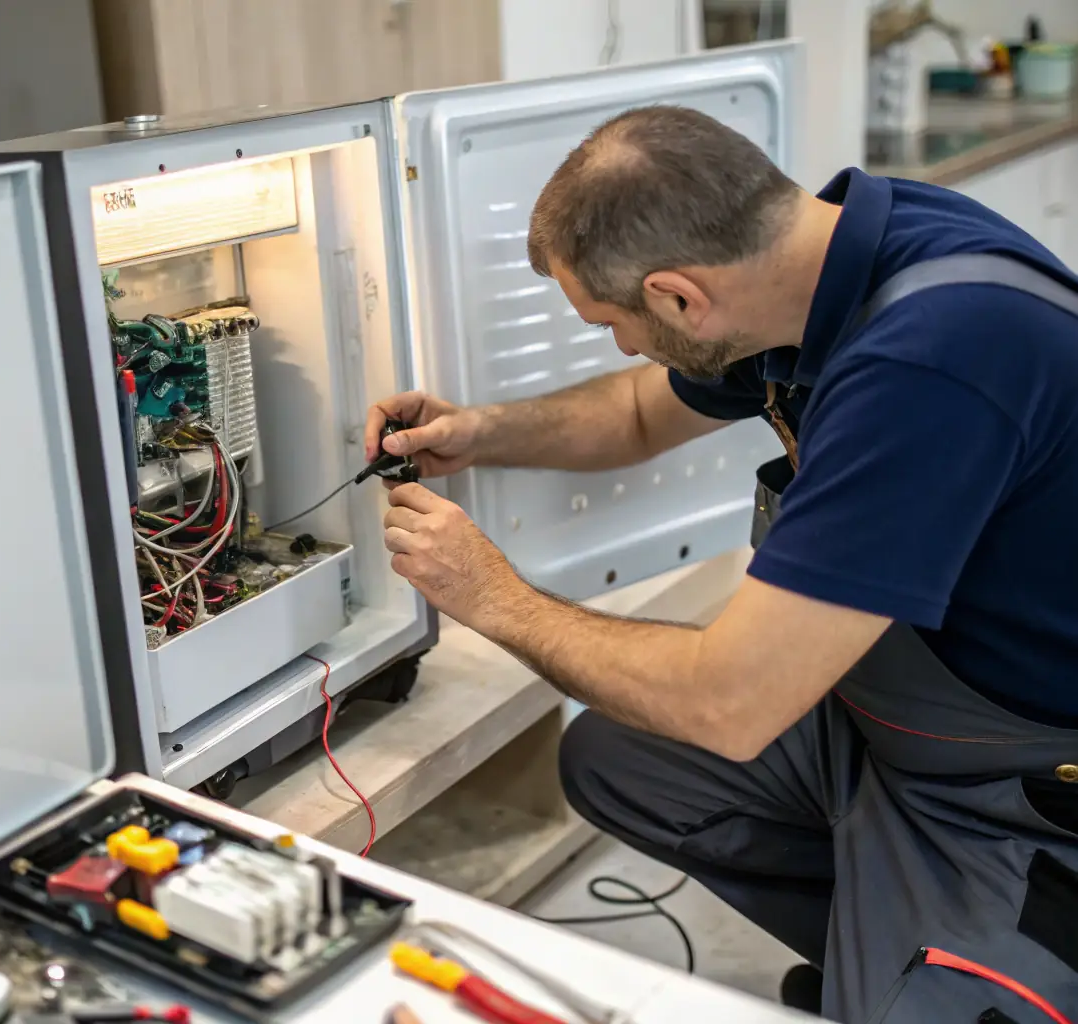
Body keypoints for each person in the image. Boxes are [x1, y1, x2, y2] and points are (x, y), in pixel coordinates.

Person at [364, 106, 1078, 1023]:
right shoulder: (823, 265)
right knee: (624, 757)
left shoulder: (930, 363)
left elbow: (728, 703)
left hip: (1017, 788)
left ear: (676, 296)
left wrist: (491, 596)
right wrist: (479, 432)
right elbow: (635, 413)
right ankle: (882, 936)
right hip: (887, 723)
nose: (620, 345)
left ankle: (932, 966)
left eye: (613, 320)